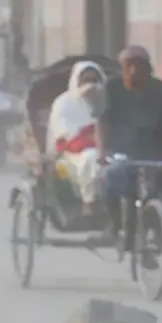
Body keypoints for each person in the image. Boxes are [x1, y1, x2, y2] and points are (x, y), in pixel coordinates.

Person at [98, 46, 162, 256]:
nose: (134, 71)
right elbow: (103, 122)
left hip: (152, 151)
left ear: (148, 68)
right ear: (122, 69)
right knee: (110, 178)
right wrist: (102, 151)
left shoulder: (161, 89)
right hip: (121, 151)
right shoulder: (112, 88)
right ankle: (115, 224)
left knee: (158, 191)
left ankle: (156, 228)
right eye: (129, 66)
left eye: (139, 66)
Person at [47, 61, 107, 211]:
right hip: (72, 154)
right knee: (91, 157)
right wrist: (90, 137)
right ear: (77, 81)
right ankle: (90, 201)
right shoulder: (64, 103)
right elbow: (65, 136)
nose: (91, 85)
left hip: (106, 148)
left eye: (95, 80)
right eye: (86, 80)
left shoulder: (108, 102)